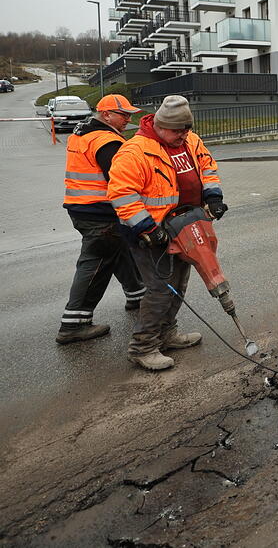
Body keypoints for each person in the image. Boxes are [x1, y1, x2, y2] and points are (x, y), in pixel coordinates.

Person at [108, 95, 227, 371]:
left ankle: (167, 334)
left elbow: (207, 167)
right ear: (160, 125)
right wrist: (147, 228)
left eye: (186, 129)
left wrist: (213, 196)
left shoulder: (191, 141)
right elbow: (122, 194)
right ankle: (143, 346)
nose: (183, 135)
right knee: (161, 289)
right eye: (177, 131)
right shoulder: (135, 151)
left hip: (185, 228)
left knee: (178, 286)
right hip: (151, 234)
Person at [57, 94, 147, 344]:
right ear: (106, 114)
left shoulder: (83, 132)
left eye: (130, 114)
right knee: (96, 263)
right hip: (99, 212)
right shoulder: (107, 141)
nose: (129, 119)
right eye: (124, 114)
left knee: (117, 250)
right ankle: (73, 324)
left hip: (82, 208)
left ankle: (137, 294)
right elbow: (122, 180)